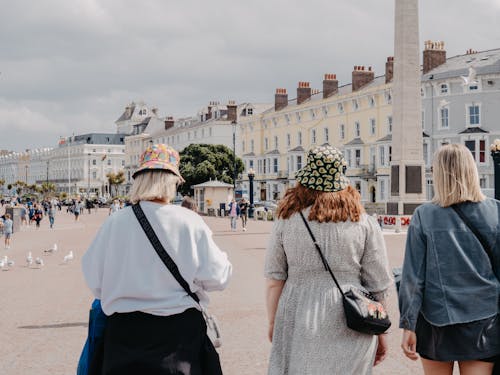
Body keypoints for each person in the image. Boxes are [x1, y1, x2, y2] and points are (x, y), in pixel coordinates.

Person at [82, 144, 232, 374]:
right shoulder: (188, 222)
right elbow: (219, 278)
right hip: (179, 339)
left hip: (123, 336)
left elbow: (94, 280)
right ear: (172, 181)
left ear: (140, 180)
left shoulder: (114, 223)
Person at [265, 145, 392, 375]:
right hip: (351, 313)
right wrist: (381, 332)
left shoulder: (286, 219)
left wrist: (273, 321)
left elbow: (275, 278)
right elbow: (379, 283)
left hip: (298, 311)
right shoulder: (363, 222)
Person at [399, 144, 500, 375]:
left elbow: (413, 277)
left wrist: (408, 324)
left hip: (436, 319)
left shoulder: (424, 215)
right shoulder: (496, 211)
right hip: (483, 318)